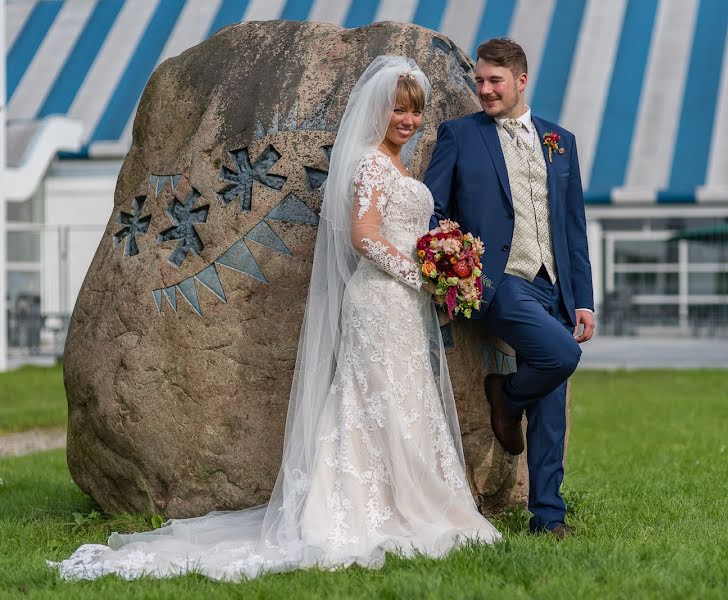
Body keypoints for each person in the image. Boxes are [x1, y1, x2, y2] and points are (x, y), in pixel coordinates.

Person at [50, 56, 499, 582]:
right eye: (399, 110)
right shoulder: (372, 164)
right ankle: (357, 509)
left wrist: (441, 262)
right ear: (379, 111)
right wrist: (417, 273)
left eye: (414, 112)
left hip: (404, 302)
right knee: (374, 398)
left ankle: (404, 500)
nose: (408, 120)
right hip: (380, 299)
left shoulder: (399, 165)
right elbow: (363, 235)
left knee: (404, 399)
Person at [423, 38, 595, 540]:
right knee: (561, 355)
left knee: (552, 411)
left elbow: (573, 225)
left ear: (521, 80)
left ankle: (548, 516)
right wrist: (452, 262)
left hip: (555, 287)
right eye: (479, 80)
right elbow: (432, 208)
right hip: (498, 283)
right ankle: (505, 396)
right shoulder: (460, 135)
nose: (484, 90)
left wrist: (582, 298)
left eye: (494, 81)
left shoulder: (560, 140)